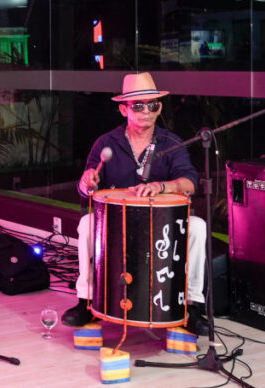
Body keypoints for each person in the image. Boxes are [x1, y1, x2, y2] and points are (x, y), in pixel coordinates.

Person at [61, 72, 208, 335]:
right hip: (116, 224)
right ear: (123, 109)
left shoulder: (171, 143)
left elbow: (190, 182)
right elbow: (84, 191)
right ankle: (85, 301)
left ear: (159, 108)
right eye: (138, 106)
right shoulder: (106, 143)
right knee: (86, 224)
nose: (147, 112)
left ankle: (192, 306)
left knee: (197, 226)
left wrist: (162, 187)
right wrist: (88, 183)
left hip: (160, 225)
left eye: (153, 105)